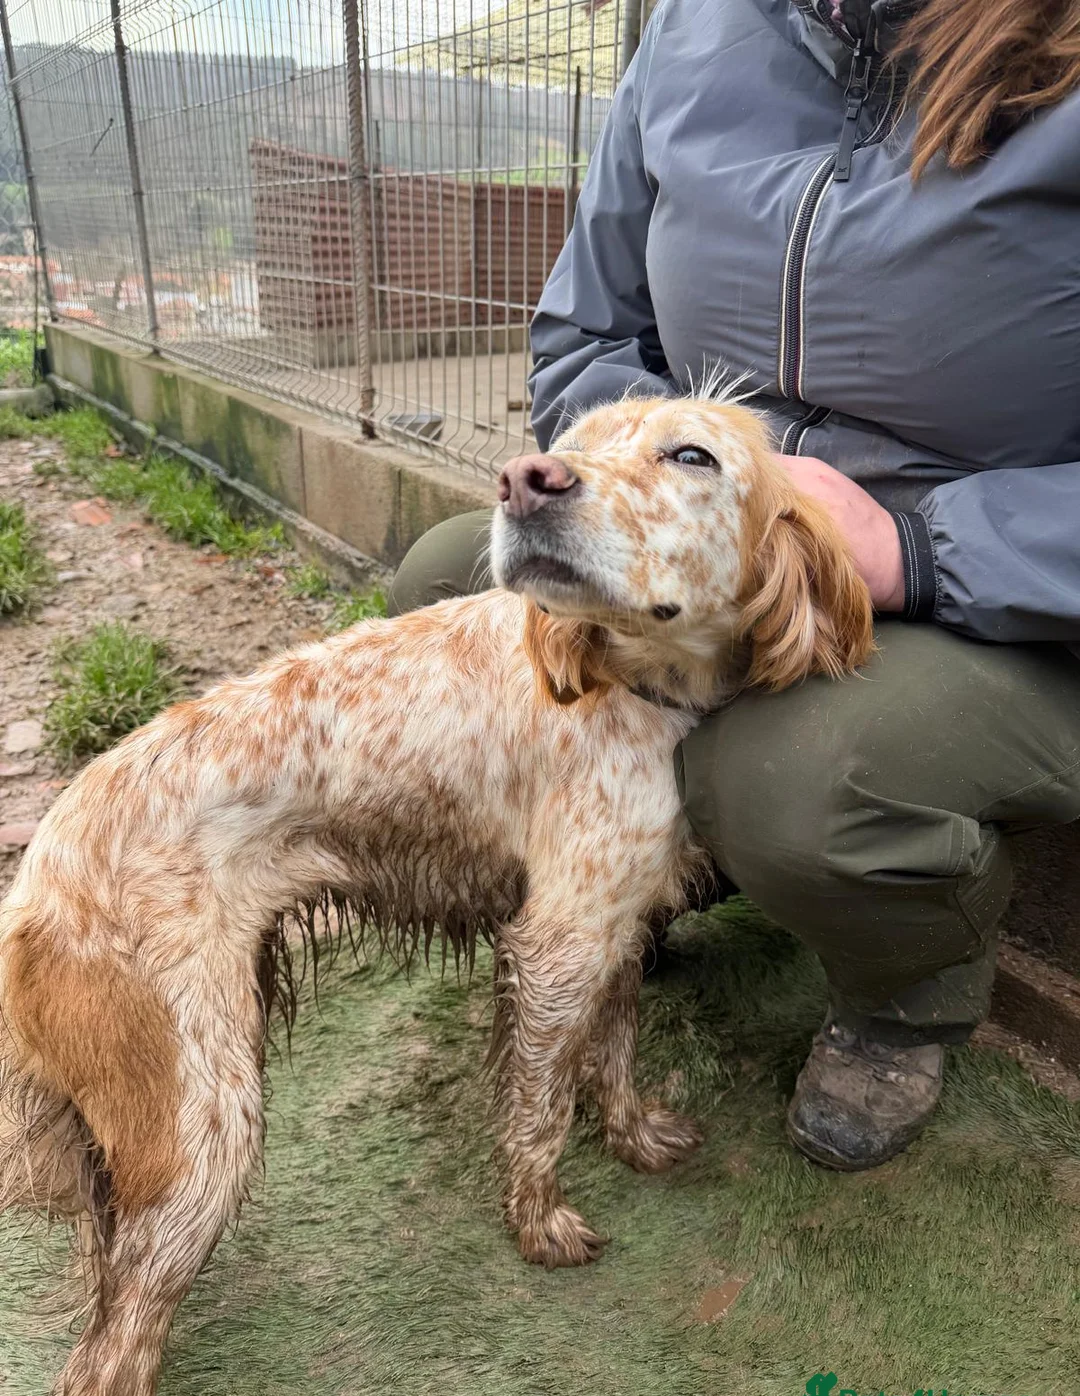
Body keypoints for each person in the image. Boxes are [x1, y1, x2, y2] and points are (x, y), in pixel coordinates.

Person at [387, 0, 1080, 1171]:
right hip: (715, 514)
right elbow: (584, 336)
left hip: (1001, 587)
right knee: (446, 589)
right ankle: (641, 872)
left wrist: (921, 544)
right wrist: (676, 493)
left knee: (807, 778)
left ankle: (904, 998)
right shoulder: (699, 25)